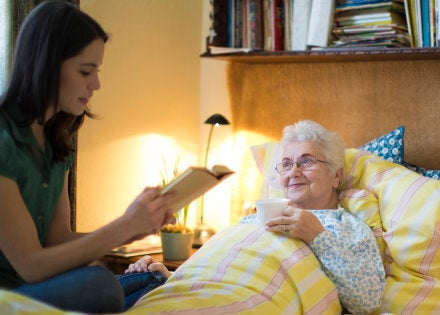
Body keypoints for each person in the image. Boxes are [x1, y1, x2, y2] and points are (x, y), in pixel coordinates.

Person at [0, 1, 175, 313]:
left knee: (150, 279)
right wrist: (121, 227)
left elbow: (57, 241)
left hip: (39, 286)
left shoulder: (57, 142)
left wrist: (136, 228)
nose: (96, 84)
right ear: (47, 65)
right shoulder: (4, 140)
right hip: (11, 289)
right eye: (85, 71)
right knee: (99, 285)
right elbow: (30, 265)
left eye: (97, 71)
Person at [125, 120, 386, 314]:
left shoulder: (347, 227)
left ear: (336, 175)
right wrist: (169, 276)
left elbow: (367, 301)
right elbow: (221, 275)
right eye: (285, 163)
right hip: (176, 291)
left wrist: (317, 236)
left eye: (306, 161)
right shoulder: (250, 219)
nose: (293, 172)